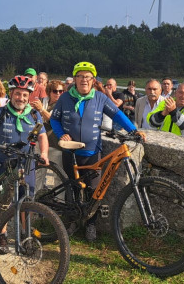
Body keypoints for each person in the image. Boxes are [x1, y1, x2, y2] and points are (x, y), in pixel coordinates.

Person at [50, 61, 136, 243]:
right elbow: (54, 120)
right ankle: (71, 221)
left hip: (92, 153)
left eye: (88, 77)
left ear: (93, 80)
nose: (84, 80)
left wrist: (133, 131)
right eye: (80, 76)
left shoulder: (100, 97)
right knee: (71, 187)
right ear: (75, 79)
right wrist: (61, 134)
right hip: (70, 153)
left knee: (94, 190)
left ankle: (91, 224)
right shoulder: (65, 98)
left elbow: (117, 115)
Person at [0, 75, 49, 254]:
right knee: (4, 200)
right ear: (11, 94)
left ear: (29, 96)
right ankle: (2, 236)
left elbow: (42, 135)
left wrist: (45, 153)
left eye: (25, 95)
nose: (21, 98)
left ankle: (26, 236)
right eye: (18, 94)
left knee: (27, 200)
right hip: (5, 162)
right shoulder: (1, 112)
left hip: (28, 162)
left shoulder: (34, 114)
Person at [31, 79, 65, 180]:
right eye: (55, 91)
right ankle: (36, 195)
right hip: (40, 144)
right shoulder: (42, 102)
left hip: (56, 145)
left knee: (59, 176)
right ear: (49, 92)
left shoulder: (63, 105)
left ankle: (60, 196)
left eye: (61, 91)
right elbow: (37, 123)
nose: (58, 93)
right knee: (38, 174)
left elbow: (53, 121)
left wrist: (41, 110)